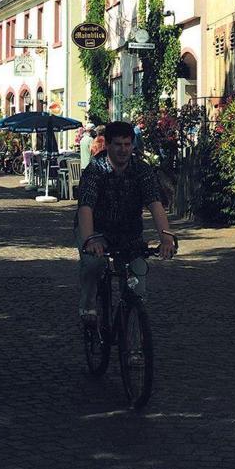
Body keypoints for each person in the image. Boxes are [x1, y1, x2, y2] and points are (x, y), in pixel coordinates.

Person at [75, 120, 177, 324]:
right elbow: (85, 207)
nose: (123, 150)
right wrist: (89, 240)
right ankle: (88, 305)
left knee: (136, 287)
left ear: (132, 145)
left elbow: (155, 204)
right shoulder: (95, 170)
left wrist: (166, 238)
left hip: (129, 233)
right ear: (108, 145)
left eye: (127, 144)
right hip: (97, 230)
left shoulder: (142, 170)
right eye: (118, 144)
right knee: (93, 264)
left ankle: (130, 334)